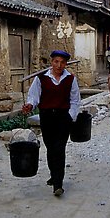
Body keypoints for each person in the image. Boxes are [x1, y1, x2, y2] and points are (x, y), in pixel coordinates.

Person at [22, 50, 81, 197]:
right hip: (47, 117)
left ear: (66, 64)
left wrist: (70, 117)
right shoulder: (41, 78)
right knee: (50, 147)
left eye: (62, 62)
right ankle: (53, 175)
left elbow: (75, 100)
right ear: (51, 62)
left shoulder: (70, 79)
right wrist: (30, 105)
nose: (59, 65)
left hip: (63, 118)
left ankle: (58, 184)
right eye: (56, 61)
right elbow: (33, 97)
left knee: (59, 148)